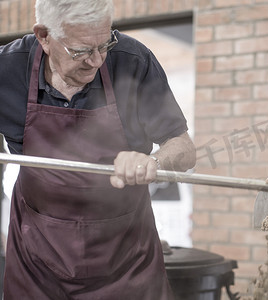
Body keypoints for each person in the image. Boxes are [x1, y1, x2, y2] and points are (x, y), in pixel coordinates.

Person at [0, 0, 196, 299]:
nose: (96, 61)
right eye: (81, 51)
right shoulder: (7, 70)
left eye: (104, 45)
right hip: (36, 259)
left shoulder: (133, 60)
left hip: (126, 258)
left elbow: (183, 148)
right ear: (44, 36)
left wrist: (153, 161)